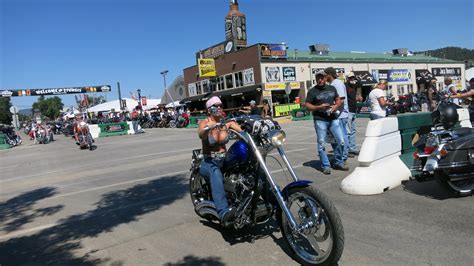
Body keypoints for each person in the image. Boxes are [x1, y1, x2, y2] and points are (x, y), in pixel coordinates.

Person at [198, 96, 243, 225]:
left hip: (225, 158)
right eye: (215, 106)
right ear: (208, 109)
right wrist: (207, 128)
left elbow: (240, 129)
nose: (219, 108)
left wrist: (248, 130)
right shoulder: (204, 122)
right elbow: (201, 133)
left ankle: (272, 200)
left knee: (247, 164)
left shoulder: (225, 123)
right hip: (209, 161)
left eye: (220, 106)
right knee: (215, 173)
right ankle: (223, 212)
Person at [304, 70, 347, 175]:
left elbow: (338, 99)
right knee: (321, 144)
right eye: (318, 78)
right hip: (320, 120)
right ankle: (326, 165)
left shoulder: (332, 88)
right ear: (316, 79)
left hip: (333, 118)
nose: (320, 80)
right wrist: (319, 107)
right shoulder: (312, 91)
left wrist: (335, 106)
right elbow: (307, 105)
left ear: (325, 78)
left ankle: (338, 162)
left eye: (322, 78)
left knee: (341, 141)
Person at [324, 67, 349, 164]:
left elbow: (341, 99)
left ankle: (343, 157)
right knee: (336, 138)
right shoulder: (333, 84)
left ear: (329, 75)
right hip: (336, 115)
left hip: (340, 115)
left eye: (325, 75)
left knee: (341, 137)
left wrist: (332, 109)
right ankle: (339, 156)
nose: (324, 77)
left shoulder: (337, 83)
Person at [345, 72, 361, 156]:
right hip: (348, 111)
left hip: (354, 110)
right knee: (347, 131)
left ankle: (352, 148)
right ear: (347, 78)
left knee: (353, 131)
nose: (352, 79)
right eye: (350, 78)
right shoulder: (345, 86)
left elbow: (360, 84)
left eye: (352, 78)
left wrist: (356, 78)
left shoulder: (353, 86)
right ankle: (346, 150)